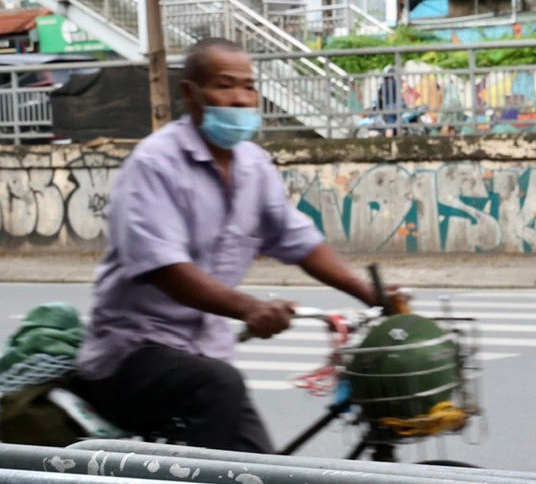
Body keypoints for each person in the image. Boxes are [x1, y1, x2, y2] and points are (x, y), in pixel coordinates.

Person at [77, 37, 389, 454]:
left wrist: (373, 294)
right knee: (219, 391)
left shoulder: (254, 166)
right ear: (191, 94)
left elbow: (297, 239)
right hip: (132, 354)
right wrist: (250, 308)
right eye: (225, 86)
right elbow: (165, 268)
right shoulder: (154, 164)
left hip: (205, 354)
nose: (241, 99)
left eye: (248, 86)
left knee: (265, 480)